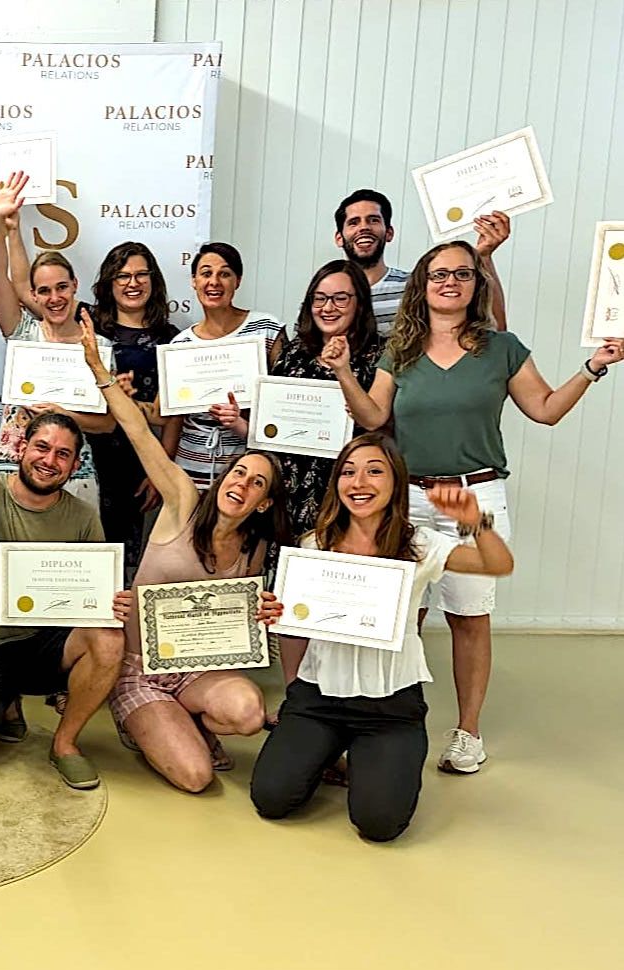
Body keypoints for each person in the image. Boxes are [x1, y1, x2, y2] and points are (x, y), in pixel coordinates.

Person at [326, 240, 624, 774]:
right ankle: (386, 722)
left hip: (475, 496)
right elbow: (372, 417)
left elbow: (546, 409)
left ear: (475, 284)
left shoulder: (502, 348)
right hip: (408, 498)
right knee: (397, 615)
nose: (450, 282)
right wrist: (345, 372)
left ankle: (468, 733)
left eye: (462, 273)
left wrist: (593, 367)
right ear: (422, 285)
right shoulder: (402, 349)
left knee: (469, 616)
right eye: (439, 274)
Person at [252, 434, 515, 841]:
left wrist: (474, 518)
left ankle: (370, 756)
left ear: (396, 482)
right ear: (337, 483)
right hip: (318, 698)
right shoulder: (314, 544)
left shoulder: (420, 544)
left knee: (379, 824)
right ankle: (328, 750)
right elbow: (295, 622)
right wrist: (277, 613)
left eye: (374, 471)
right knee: (271, 798)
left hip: (390, 705)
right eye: (348, 473)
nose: (359, 483)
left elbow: (498, 564)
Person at [80, 325, 287, 791]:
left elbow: (235, 626)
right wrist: (98, 370)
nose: (242, 485)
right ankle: (144, 718)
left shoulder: (254, 548)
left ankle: (185, 717)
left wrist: (262, 614)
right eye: (238, 472)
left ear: (264, 504)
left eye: (257, 483)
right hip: (139, 668)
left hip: (198, 669)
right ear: (223, 477)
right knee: (196, 777)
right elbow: (139, 433)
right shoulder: (183, 501)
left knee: (249, 715)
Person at [0, 363, 124, 787]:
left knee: (108, 636)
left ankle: (65, 744)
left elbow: (93, 594)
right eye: (42, 447)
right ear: (21, 448)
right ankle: (4, 702)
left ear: (74, 465)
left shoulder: (83, 517)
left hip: (42, 646)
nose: (49, 461)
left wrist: (112, 602)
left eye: (63, 454)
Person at [0, 172, 112, 510]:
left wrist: (63, 413)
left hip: (75, 473)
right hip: (12, 465)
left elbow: (108, 423)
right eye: (44, 291)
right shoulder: (22, 332)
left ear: (74, 285)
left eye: (61, 287)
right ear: (34, 295)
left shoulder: (98, 347)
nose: (54, 298)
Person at [267, 260, 383, 535]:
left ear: (360, 303)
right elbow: (272, 426)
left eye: (340, 298)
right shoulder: (293, 353)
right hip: (287, 489)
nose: (328, 308)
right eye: (319, 298)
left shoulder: (379, 355)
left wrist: (342, 369)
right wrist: (240, 425)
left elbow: (375, 422)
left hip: (347, 490)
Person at [162, 242, 284, 491]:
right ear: (194, 281)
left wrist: (243, 419)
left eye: (225, 274)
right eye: (206, 273)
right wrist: (163, 473)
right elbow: (175, 418)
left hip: (247, 471)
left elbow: (281, 400)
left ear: (238, 281)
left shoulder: (266, 329)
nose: (214, 282)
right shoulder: (181, 344)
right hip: (189, 471)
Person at [88, 241, 179, 572]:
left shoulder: (170, 338)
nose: (133, 283)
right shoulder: (88, 327)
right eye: (122, 276)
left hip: (140, 460)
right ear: (109, 282)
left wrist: (162, 472)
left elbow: (173, 414)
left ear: (154, 280)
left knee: (130, 558)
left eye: (142, 274)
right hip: (87, 453)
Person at [333, 188, 510, 333]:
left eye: (373, 220)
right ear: (339, 238)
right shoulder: (326, 293)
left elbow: (495, 330)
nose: (364, 227)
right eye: (353, 222)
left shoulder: (419, 286)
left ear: (389, 233)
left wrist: (484, 257)